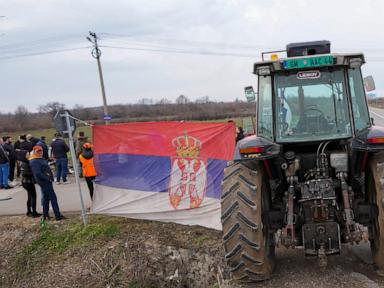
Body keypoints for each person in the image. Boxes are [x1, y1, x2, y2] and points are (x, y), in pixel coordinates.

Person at [29, 145, 65, 221]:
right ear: (34, 152)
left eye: (41, 151)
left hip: (46, 181)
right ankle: (57, 215)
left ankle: (45, 215)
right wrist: (47, 178)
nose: (40, 152)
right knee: (53, 198)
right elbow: (37, 173)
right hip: (44, 182)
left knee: (45, 198)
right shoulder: (34, 161)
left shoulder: (40, 159)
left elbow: (44, 169)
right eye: (38, 151)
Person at [17, 149, 41, 217]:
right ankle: (34, 212)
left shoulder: (21, 162)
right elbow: (26, 173)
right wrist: (34, 173)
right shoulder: (25, 163)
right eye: (27, 154)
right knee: (33, 197)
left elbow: (20, 173)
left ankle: (29, 211)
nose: (29, 155)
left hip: (25, 182)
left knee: (30, 197)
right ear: (24, 155)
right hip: (28, 182)